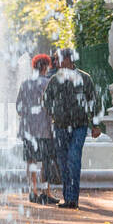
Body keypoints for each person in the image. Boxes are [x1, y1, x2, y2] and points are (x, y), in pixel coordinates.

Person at [42, 48, 101, 209]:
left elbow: (93, 101)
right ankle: (68, 197)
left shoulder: (84, 78)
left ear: (70, 59)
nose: (58, 63)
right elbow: (46, 100)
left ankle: (72, 198)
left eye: (61, 59)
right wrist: (55, 113)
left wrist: (96, 125)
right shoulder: (55, 79)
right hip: (60, 126)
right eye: (57, 60)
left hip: (79, 126)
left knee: (74, 159)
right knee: (62, 162)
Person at [16, 54, 56, 204]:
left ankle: (32, 191)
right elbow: (53, 106)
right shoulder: (49, 83)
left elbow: (18, 107)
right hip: (45, 129)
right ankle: (46, 192)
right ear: (46, 67)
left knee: (31, 160)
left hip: (28, 129)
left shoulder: (25, 83)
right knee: (46, 162)